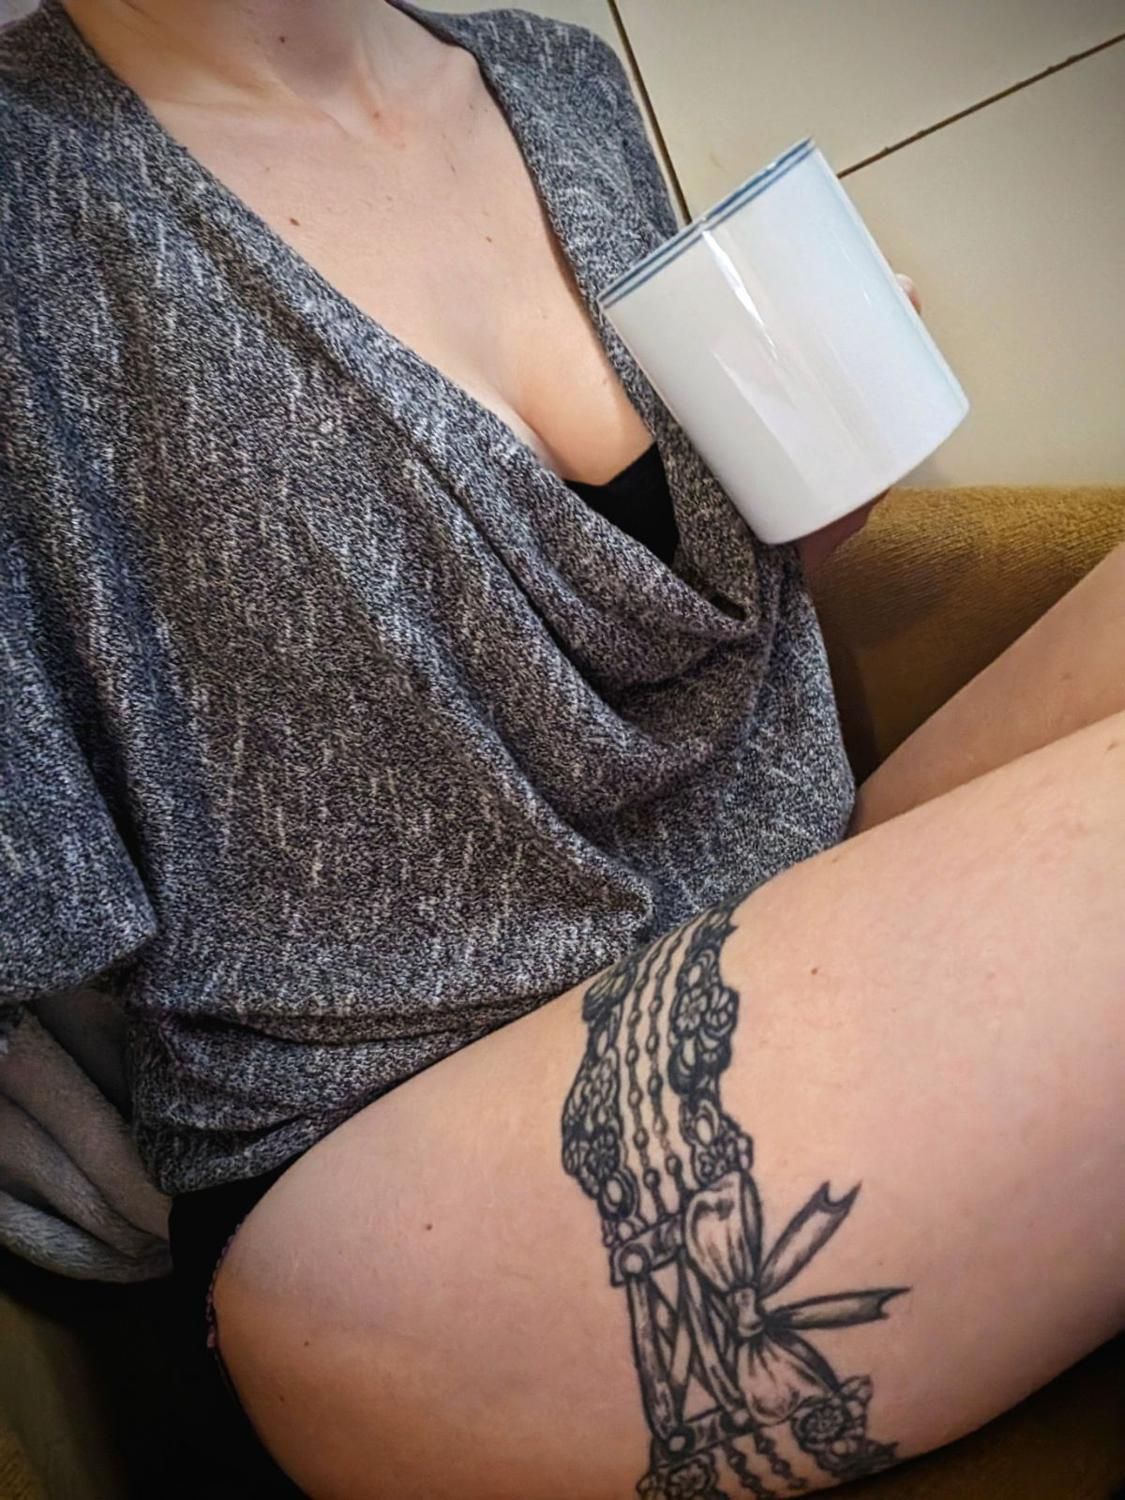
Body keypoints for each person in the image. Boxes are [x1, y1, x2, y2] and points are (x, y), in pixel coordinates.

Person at [1, 1, 1121, 1496]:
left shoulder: (554, 74)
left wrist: (795, 502)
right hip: (394, 1158)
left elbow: (618, 649)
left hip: (780, 911)